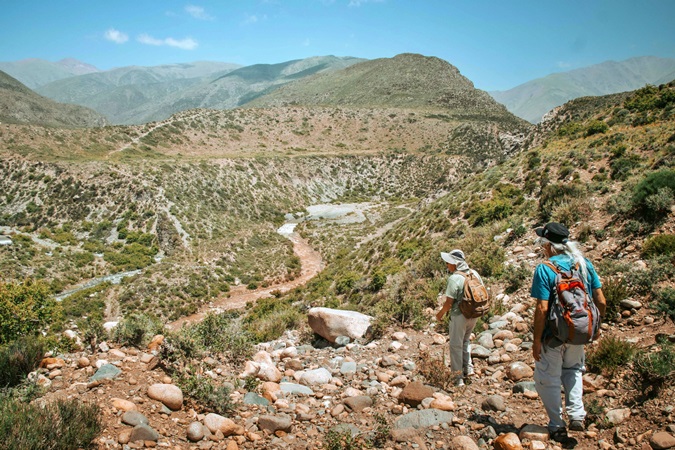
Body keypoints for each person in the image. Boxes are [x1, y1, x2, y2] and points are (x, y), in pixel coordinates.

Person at [531, 222, 606, 446]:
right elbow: (600, 300)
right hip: (578, 331)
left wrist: (536, 340)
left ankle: (556, 425)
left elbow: (542, 308)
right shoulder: (584, 264)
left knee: (548, 378)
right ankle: (576, 415)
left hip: (553, 335)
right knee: (573, 370)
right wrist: (595, 326)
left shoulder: (545, 269)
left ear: (547, 245)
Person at [436, 249, 483, 387]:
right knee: (466, 341)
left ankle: (458, 378)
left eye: (448, 263)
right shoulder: (474, 274)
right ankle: (468, 369)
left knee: (455, 345)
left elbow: (449, 302)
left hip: (459, 316)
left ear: (455, 264)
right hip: (474, 314)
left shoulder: (454, 278)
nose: (447, 265)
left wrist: (440, 314)